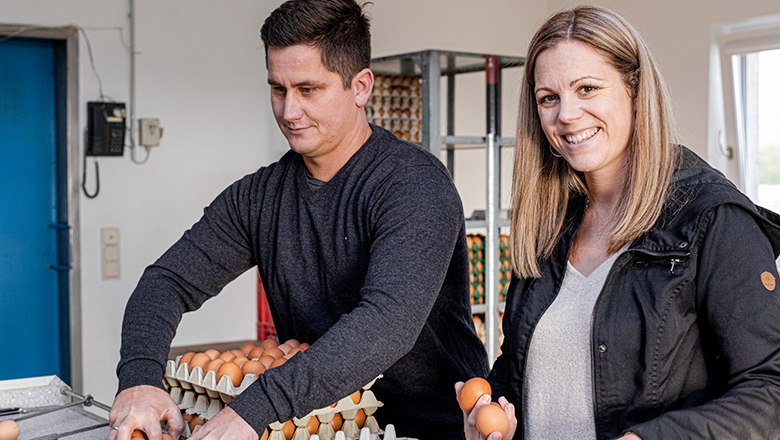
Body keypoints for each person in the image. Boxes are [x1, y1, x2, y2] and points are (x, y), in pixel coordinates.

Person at [108, 0, 489, 439]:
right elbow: (166, 283)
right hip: (319, 427)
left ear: (361, 86)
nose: (289, 112)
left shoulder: (413, 186)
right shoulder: (259, 196)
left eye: (308, 90)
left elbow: (385, 324)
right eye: (278, 89)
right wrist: (139, 379)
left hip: (427, 428)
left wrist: (251, 411)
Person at [459, 4, 780, 440]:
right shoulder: (550, 225)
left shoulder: (714, 219)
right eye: (548, 98)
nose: (566, 114)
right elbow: (526, 367)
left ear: (635, 90)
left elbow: (768, 392)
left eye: (587, 88)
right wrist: (490, 409)